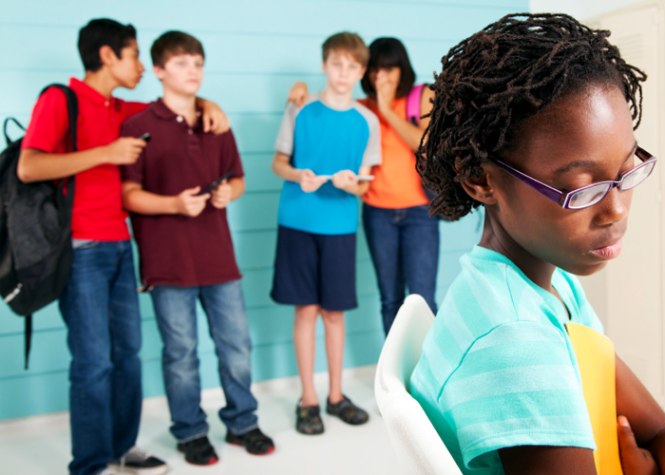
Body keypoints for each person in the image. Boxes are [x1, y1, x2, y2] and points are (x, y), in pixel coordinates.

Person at [409, 13, 665, 475]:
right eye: (582, 188)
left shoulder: (542, 287)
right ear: (479, 180)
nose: (617, 209)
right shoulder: (512, 340)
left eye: (627, 172)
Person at [18, 18, 228, 475]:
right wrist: (105, 154)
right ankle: (90, 464)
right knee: (93, 362)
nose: (139, 64)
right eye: (133, 55)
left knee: (127, 355)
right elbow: (29, 167)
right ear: (108, 55)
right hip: (80, 251)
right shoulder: (61, 99)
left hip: (120, 248)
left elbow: (173, 104)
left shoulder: (123, 107)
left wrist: (208, 101)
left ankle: (121, 450)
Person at [120, 30, 274, 466]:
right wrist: (172, 204)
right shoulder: (138, 126)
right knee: (181, 354)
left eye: (198, 63)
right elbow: (128, 194)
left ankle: (243, 422)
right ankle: (189, 430)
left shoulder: (216, 122)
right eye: (182, 62)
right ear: (159, 70)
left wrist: (230, 193)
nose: (193, 71)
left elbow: (237, 178)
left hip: (219, 260)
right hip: (168, 265)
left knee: (236, 346)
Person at [270, 31, 381, 435]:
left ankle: (335, 395)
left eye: (352, 66)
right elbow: (278, 163)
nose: (343, 73)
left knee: (334, 313)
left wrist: (351, 185)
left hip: (339, 228)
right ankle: (308, 399)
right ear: (324, 65)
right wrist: (298, 174)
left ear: (361, 71)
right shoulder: (300, 108)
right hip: (297, 222)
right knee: (306, 310)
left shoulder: (367, 121)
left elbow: (365, 186)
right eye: (337, 64)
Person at [289, 37, 439, 335]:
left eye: (389, 69)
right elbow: (327, 105)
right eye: (375, 70)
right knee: (390, 299)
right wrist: (299, 89)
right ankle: (394, 373)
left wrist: (386, 108)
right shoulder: (362, 108)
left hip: (420, 214)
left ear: (402, 69)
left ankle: (427, 374)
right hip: (377, 214)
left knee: (422, 299)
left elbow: (423, 143)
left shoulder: (422, 96)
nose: (381, 76)